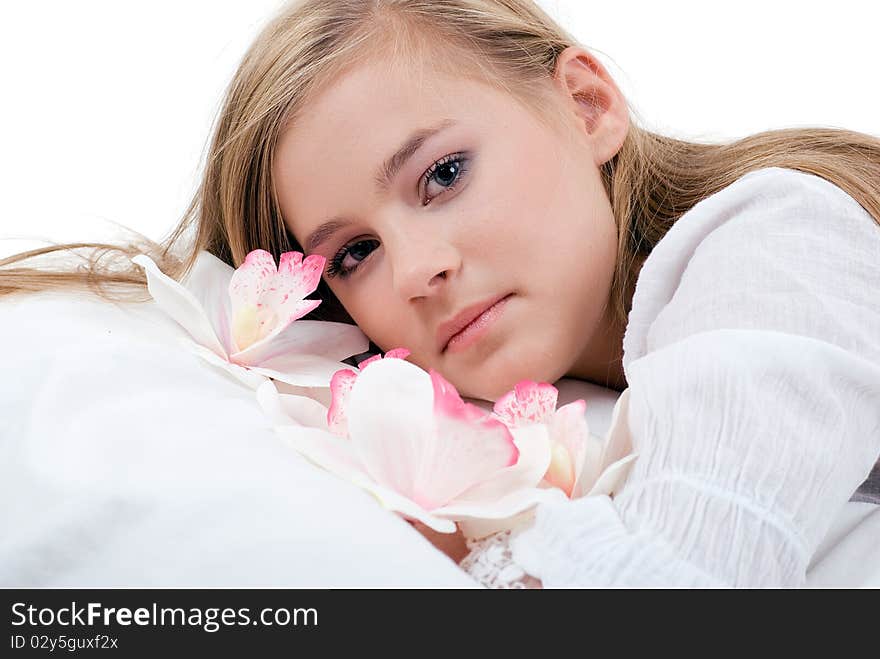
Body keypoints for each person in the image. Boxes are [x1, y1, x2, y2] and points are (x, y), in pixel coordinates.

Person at [2, 0, 879, 587]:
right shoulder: (569, 396)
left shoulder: (779, 238)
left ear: (585, 104)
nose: (417, 269)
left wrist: (475, 544)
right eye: (353, 254)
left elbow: (680, 585)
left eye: (444, 173)